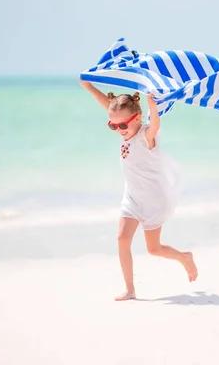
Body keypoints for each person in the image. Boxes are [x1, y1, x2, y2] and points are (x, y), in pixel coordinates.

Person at [79, 80, 198, 301]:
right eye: (112, 126)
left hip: (154, 200)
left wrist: (152, 105)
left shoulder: (145, 136)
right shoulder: (123, 124)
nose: (118, 130)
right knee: (122, 239)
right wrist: (87, 86)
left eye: (122, 126)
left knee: (154, 249)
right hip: (132, 198)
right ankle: (130, 289)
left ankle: (184, 257)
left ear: (137, 118)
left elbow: (155, 126)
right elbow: (106, 104)